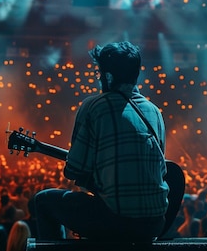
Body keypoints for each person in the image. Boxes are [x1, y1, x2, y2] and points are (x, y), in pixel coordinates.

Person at [34, 41, 169, 242]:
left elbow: (74, 170)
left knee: (43, 201)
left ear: (108, 76)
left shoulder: (93, 107)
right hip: (156, 223)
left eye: (99, 74)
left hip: (116, 220)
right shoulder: (154, 112)